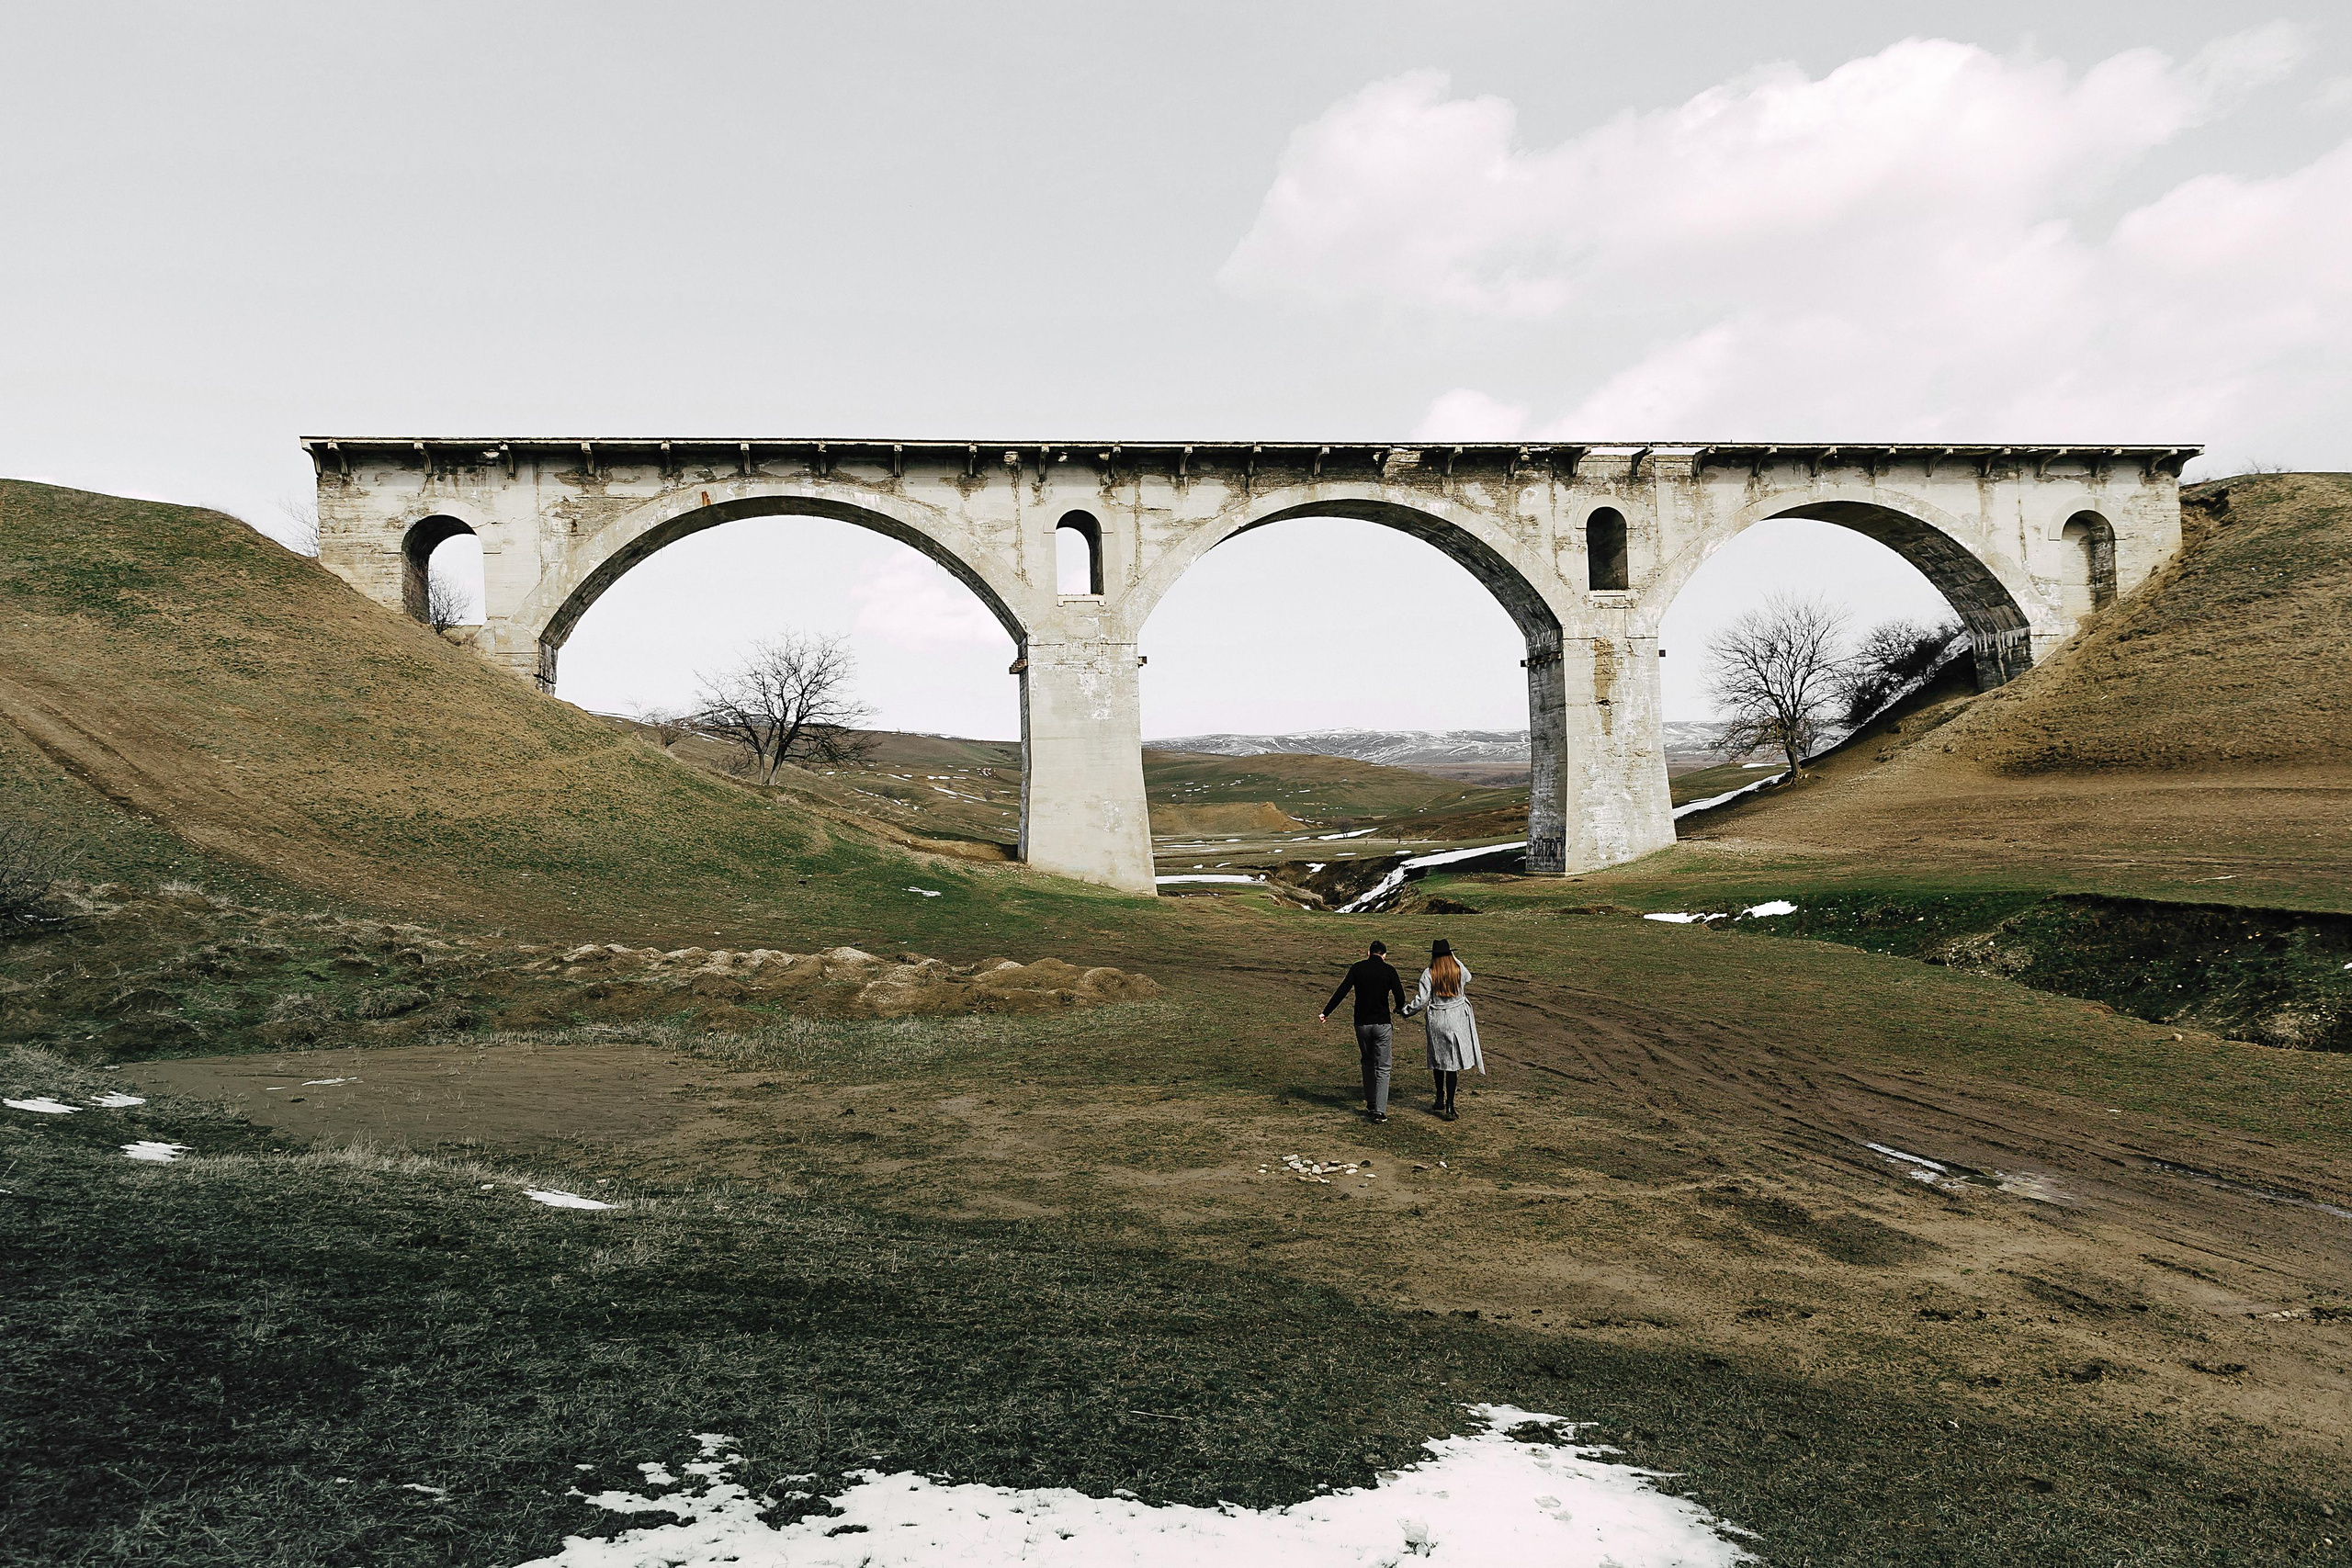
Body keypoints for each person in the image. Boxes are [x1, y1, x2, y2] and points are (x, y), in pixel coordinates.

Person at [1318, 939, 1408, 1122]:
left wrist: (1326, 1012)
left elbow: (1342, 991)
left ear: (1368, 953)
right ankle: (1380, 1111)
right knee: (1383, 1067)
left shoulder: (1357, 968)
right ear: (1384, 955)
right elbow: (1400, 995)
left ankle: (1371, 1103)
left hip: (1362, 1024)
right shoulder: (1389, 970)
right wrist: (1398, 1008)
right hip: (1382, 1023)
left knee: (1367, 1062)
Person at [1400, 938, 1482, 1121]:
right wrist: (1453, 957)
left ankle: (1439, 1097)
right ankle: (1451, 1105)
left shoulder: (1429, 973)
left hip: (1438, 1019)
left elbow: (1421, 1000)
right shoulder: (1458, 970)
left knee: (1439, 1059)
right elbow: (1469, 977)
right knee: (1452, 1064)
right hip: (1457, 1018)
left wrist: (1406, 1011)